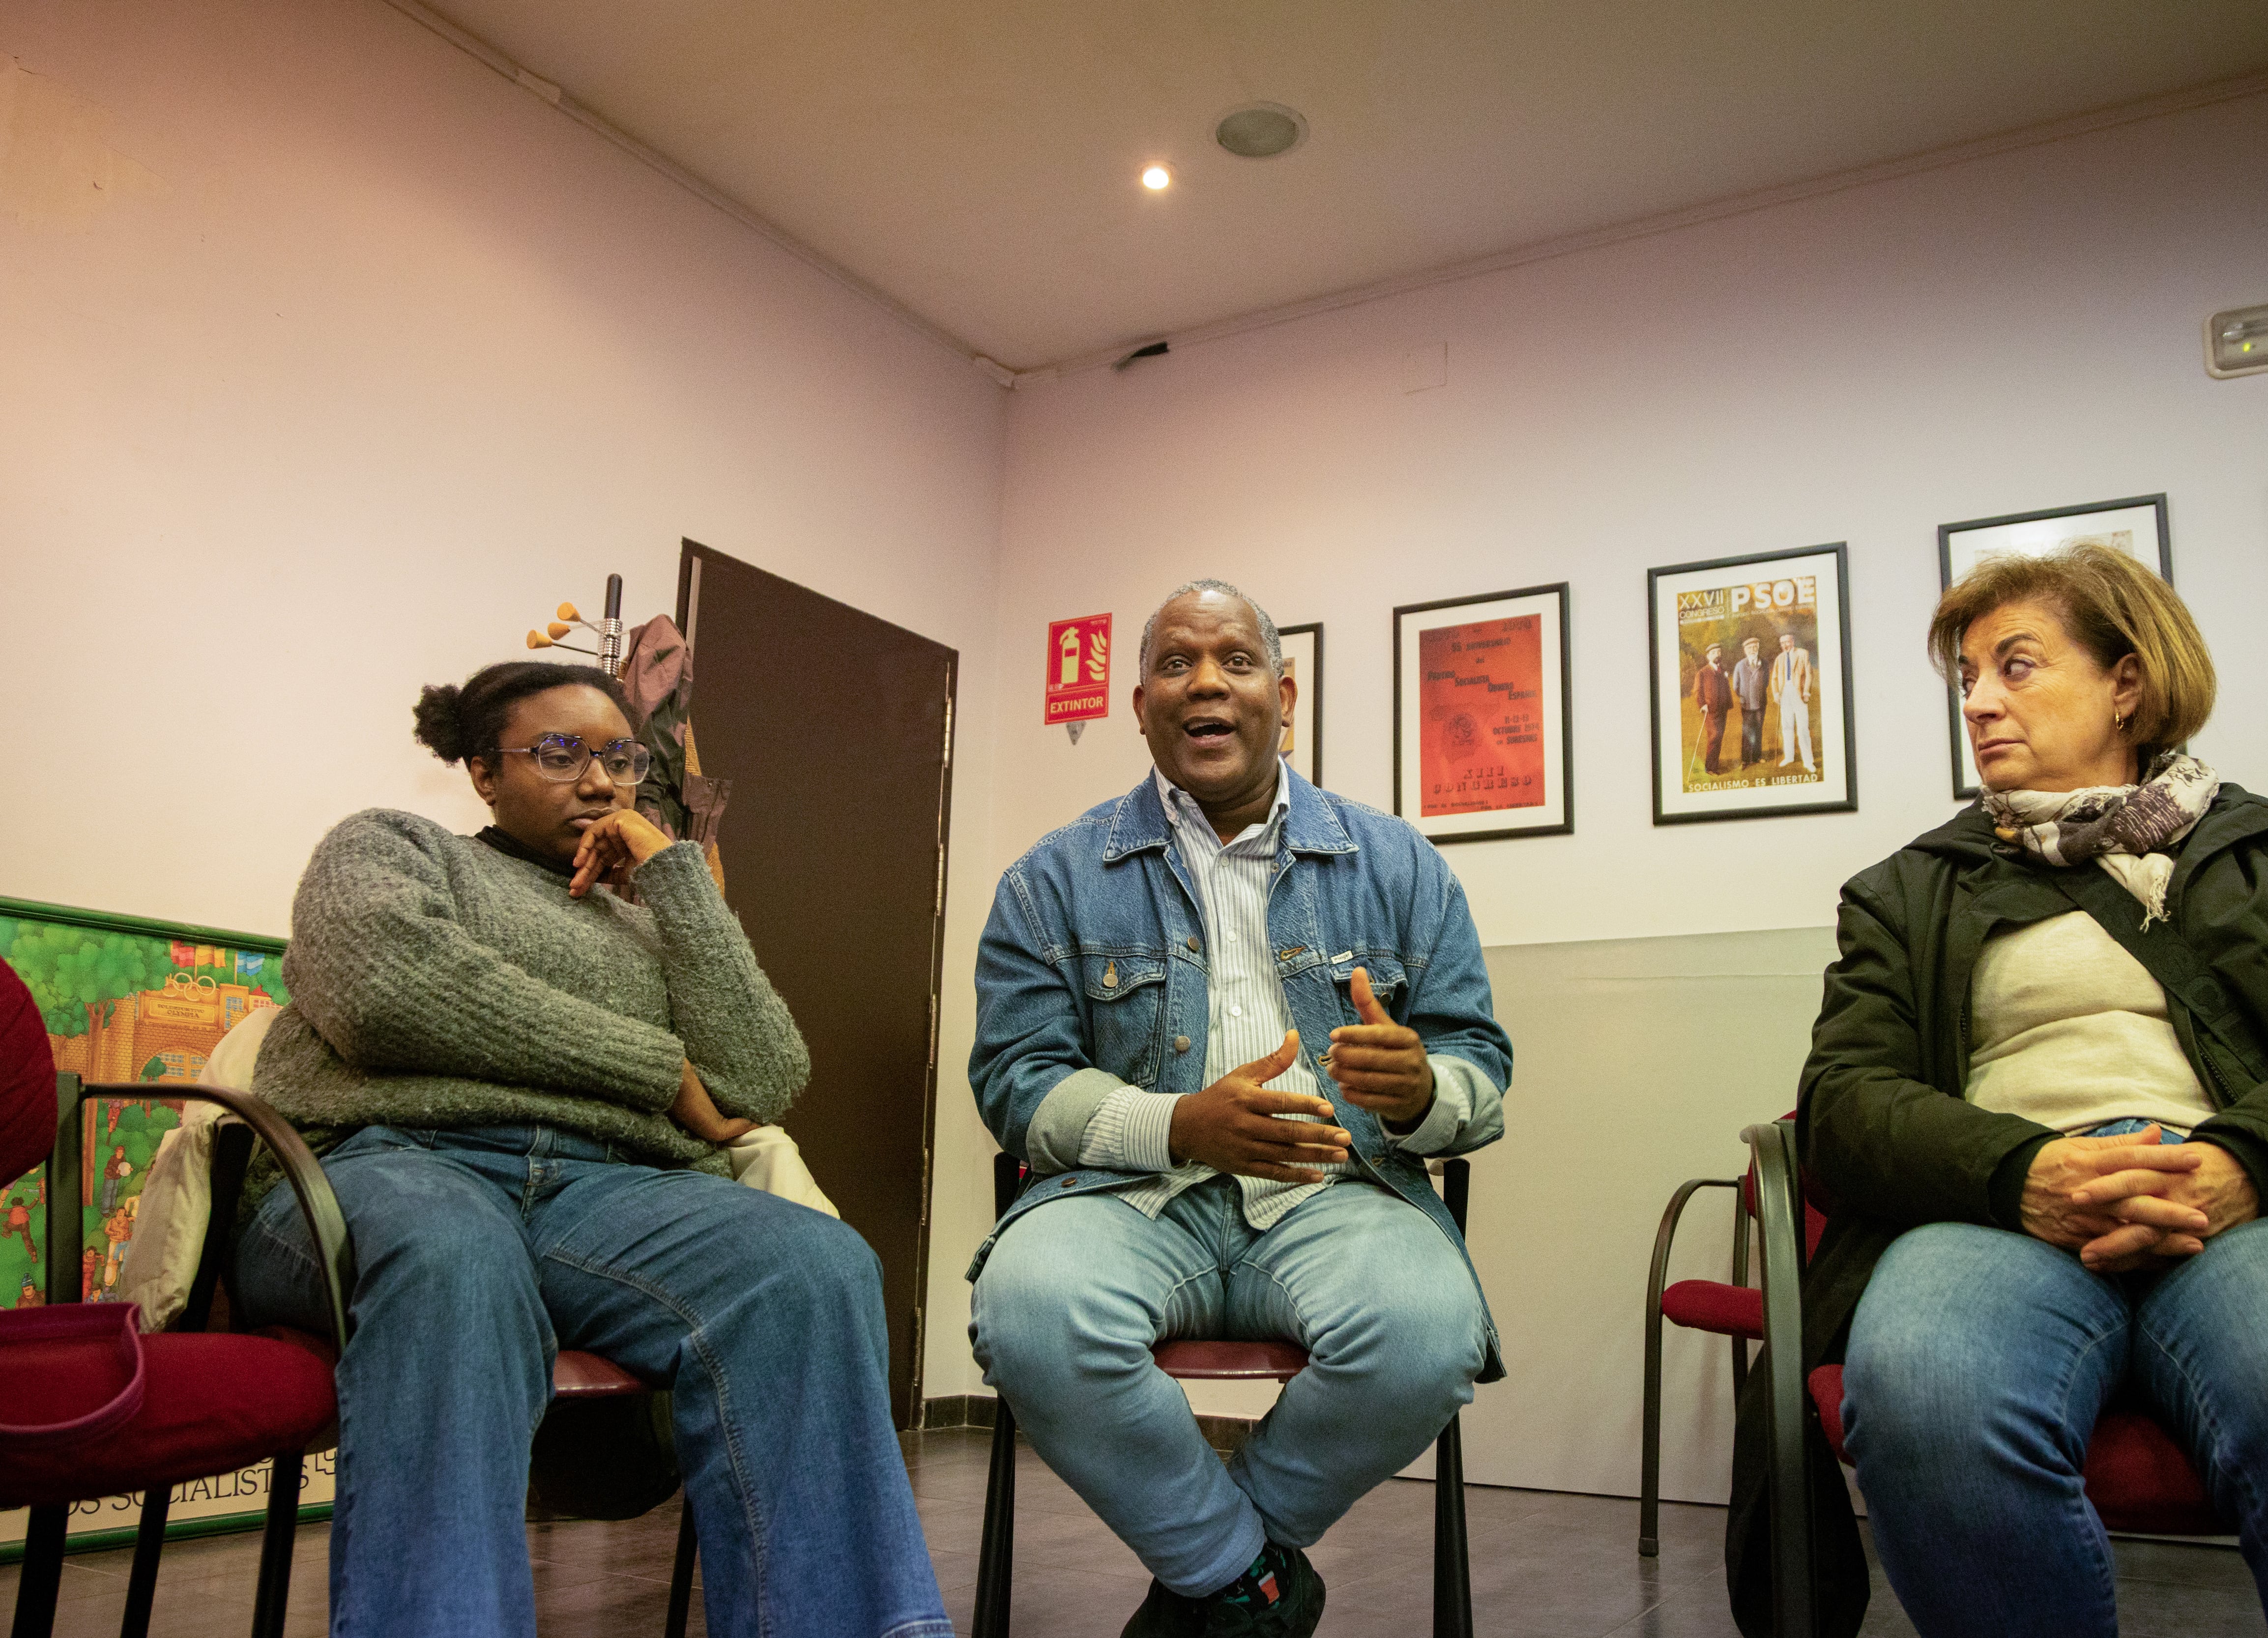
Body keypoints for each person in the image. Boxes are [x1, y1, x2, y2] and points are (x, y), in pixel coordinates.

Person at [1726, 544, 2268, 1637]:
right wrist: (2023, 1169)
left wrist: (2241, 1165)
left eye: (2015, 667)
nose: (1978, 703)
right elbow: (1844, 1095)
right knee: (1926, 1391)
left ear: (2127, 683)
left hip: (2254, 1205)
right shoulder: (1907, 887)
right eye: (1966, 679)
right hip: (1993, 1210)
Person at [233, 660, 951, 1638]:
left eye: (619, 757)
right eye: (559, 752)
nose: (600, 780)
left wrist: (674, 875)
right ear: (484, 771)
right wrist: (656, 1070)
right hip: (385, 1163)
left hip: (599, 1190)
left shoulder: (649, 916)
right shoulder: (391, 848)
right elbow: (387, 992)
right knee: (453, 1256)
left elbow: (759, 1077)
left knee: (811, 1265)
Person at [968, 579, 1511, 1638]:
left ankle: (1215, 1584)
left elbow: (1478, 1070)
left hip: (1335, 1191)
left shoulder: (1400, 865)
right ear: (1138, 704)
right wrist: (1174, 1126)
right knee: (1027, 1309)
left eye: (1235, 660)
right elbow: (1016, 1082)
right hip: (1125, 1198)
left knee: (1429, 1330)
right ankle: (1250, 1580)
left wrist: (1421, 1092)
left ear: (1284, 695)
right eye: (1175, 662)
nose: (1205, 681)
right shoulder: (1050, 880)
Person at [1772, 630, 1815, 773]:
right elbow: (1775, 678)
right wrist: (1776, 694)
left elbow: (1809, 674)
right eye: (1783, 643)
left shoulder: (1803, 653)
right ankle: (1789, 757)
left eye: (1787, 642)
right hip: (1785, 694)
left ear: (1793, 642)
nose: (1785, 645)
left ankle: (1809, 762)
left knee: (1803, 728)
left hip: (1799, 693)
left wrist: (1807, 692)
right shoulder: (1779, 658)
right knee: (1787, 727)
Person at [1695, 642, 1734, 776]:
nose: (1717, 655)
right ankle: (1710, 768)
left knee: (1719, 737)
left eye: (1719, 652)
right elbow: (1698, 691)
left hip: (1723, 709)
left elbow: (1727, 689)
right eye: (1714, 653)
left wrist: (1729, 703)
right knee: (1714, 737)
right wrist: (1702, 705)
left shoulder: (1722, 670)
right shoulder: (1703, 672)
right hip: (1711, 711)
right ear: (1708, 656)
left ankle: (1715, 765)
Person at [1733, 636, 1768, 769]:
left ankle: (1757, 757)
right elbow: (1735, 686)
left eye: (1755, 647)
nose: (1753, 650)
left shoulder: (1764, 663)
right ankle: (1746, 760)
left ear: (1758, 648)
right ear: (1745, 650)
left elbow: (1766, 683)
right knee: (1747, 732)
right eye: (1750, 648)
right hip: (1747, 704)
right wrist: (1744, 696)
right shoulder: (1740, 665)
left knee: (1759, 730)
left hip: (1761, 703)